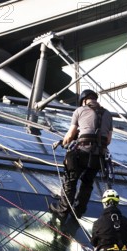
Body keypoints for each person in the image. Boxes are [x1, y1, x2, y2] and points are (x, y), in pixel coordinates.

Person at [49, 89, 113, 219]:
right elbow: (109, 140)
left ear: (84, 101)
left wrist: (64, 143)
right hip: (98, 156)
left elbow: (71, 134)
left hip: (81, 152)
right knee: (87, 183)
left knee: (71, 180)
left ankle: (63, 209)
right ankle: (78, 210)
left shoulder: (79, 110)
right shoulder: (108, 114)